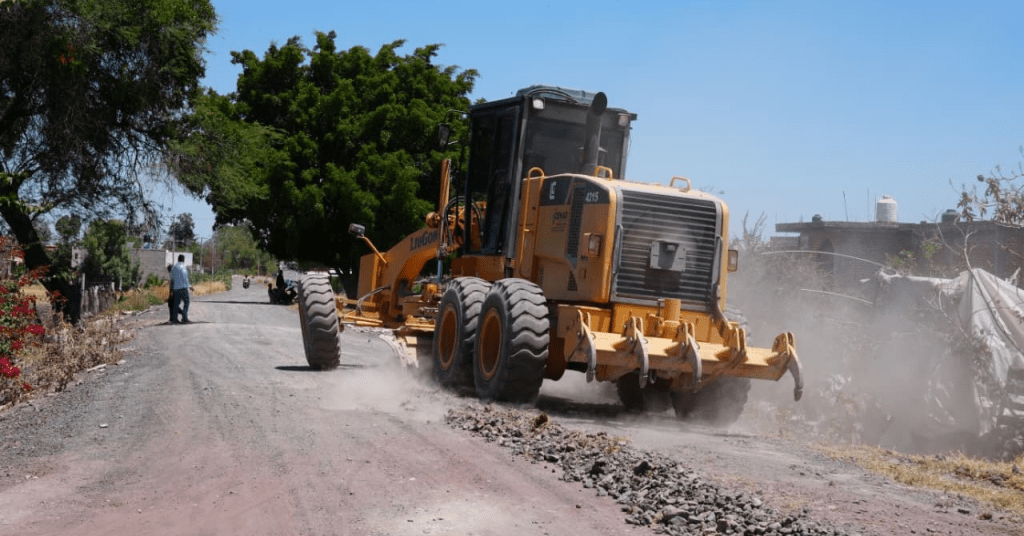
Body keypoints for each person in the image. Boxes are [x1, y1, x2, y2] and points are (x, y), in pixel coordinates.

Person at [170, 254, 193, 324]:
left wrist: (172, 288)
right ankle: (184, 318)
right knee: (186, 302)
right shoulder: (185, 267)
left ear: (178, 259)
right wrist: (190, 286)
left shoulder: (174, 268)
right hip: (184, 288)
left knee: (176, 304)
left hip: (176, 288)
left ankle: (175, 319)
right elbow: (186, 278)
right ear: (183, 260)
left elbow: (172, 278)